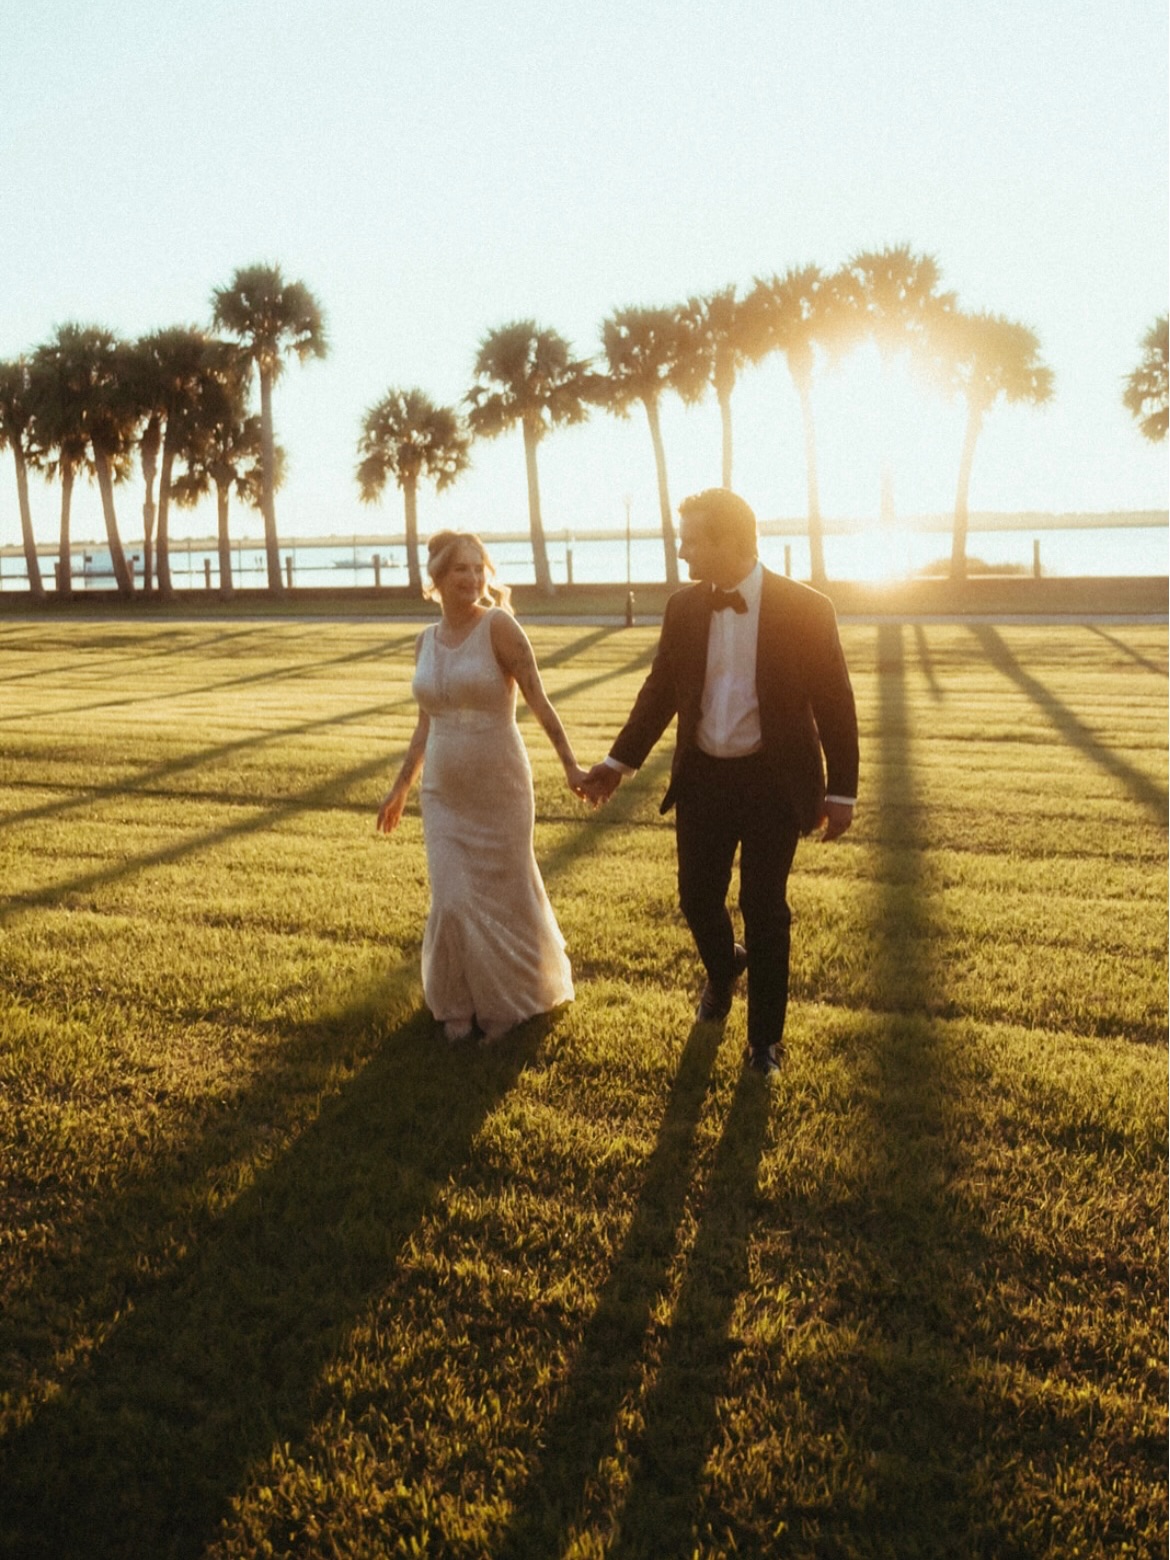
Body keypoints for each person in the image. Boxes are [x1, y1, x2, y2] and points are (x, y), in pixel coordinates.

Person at [581, 488, 858, 1075]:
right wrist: (617, 763)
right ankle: (725, 968)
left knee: (765, 908)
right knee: (696, 898)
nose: (682, 552)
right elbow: (658, 692)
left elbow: (836, 703)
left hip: (774, 781)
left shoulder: (807, 608)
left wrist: (841, 792)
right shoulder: (683, 608)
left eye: (691, 540)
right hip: (703, 777)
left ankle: (764, 1044)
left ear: (730, 542)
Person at [377, 531, 588, 1042]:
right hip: (443, 792)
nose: (472, 579)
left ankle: (508, 1004)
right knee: (452, 897)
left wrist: (572, 768)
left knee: (506, 892)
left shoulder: (500, 628)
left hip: (501, 786)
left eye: (478, 568)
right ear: (437, 579)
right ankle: (456, 1005)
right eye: (460, 571)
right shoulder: (424, 641)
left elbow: (540, 702)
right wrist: (401, 787)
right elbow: (426, 722)